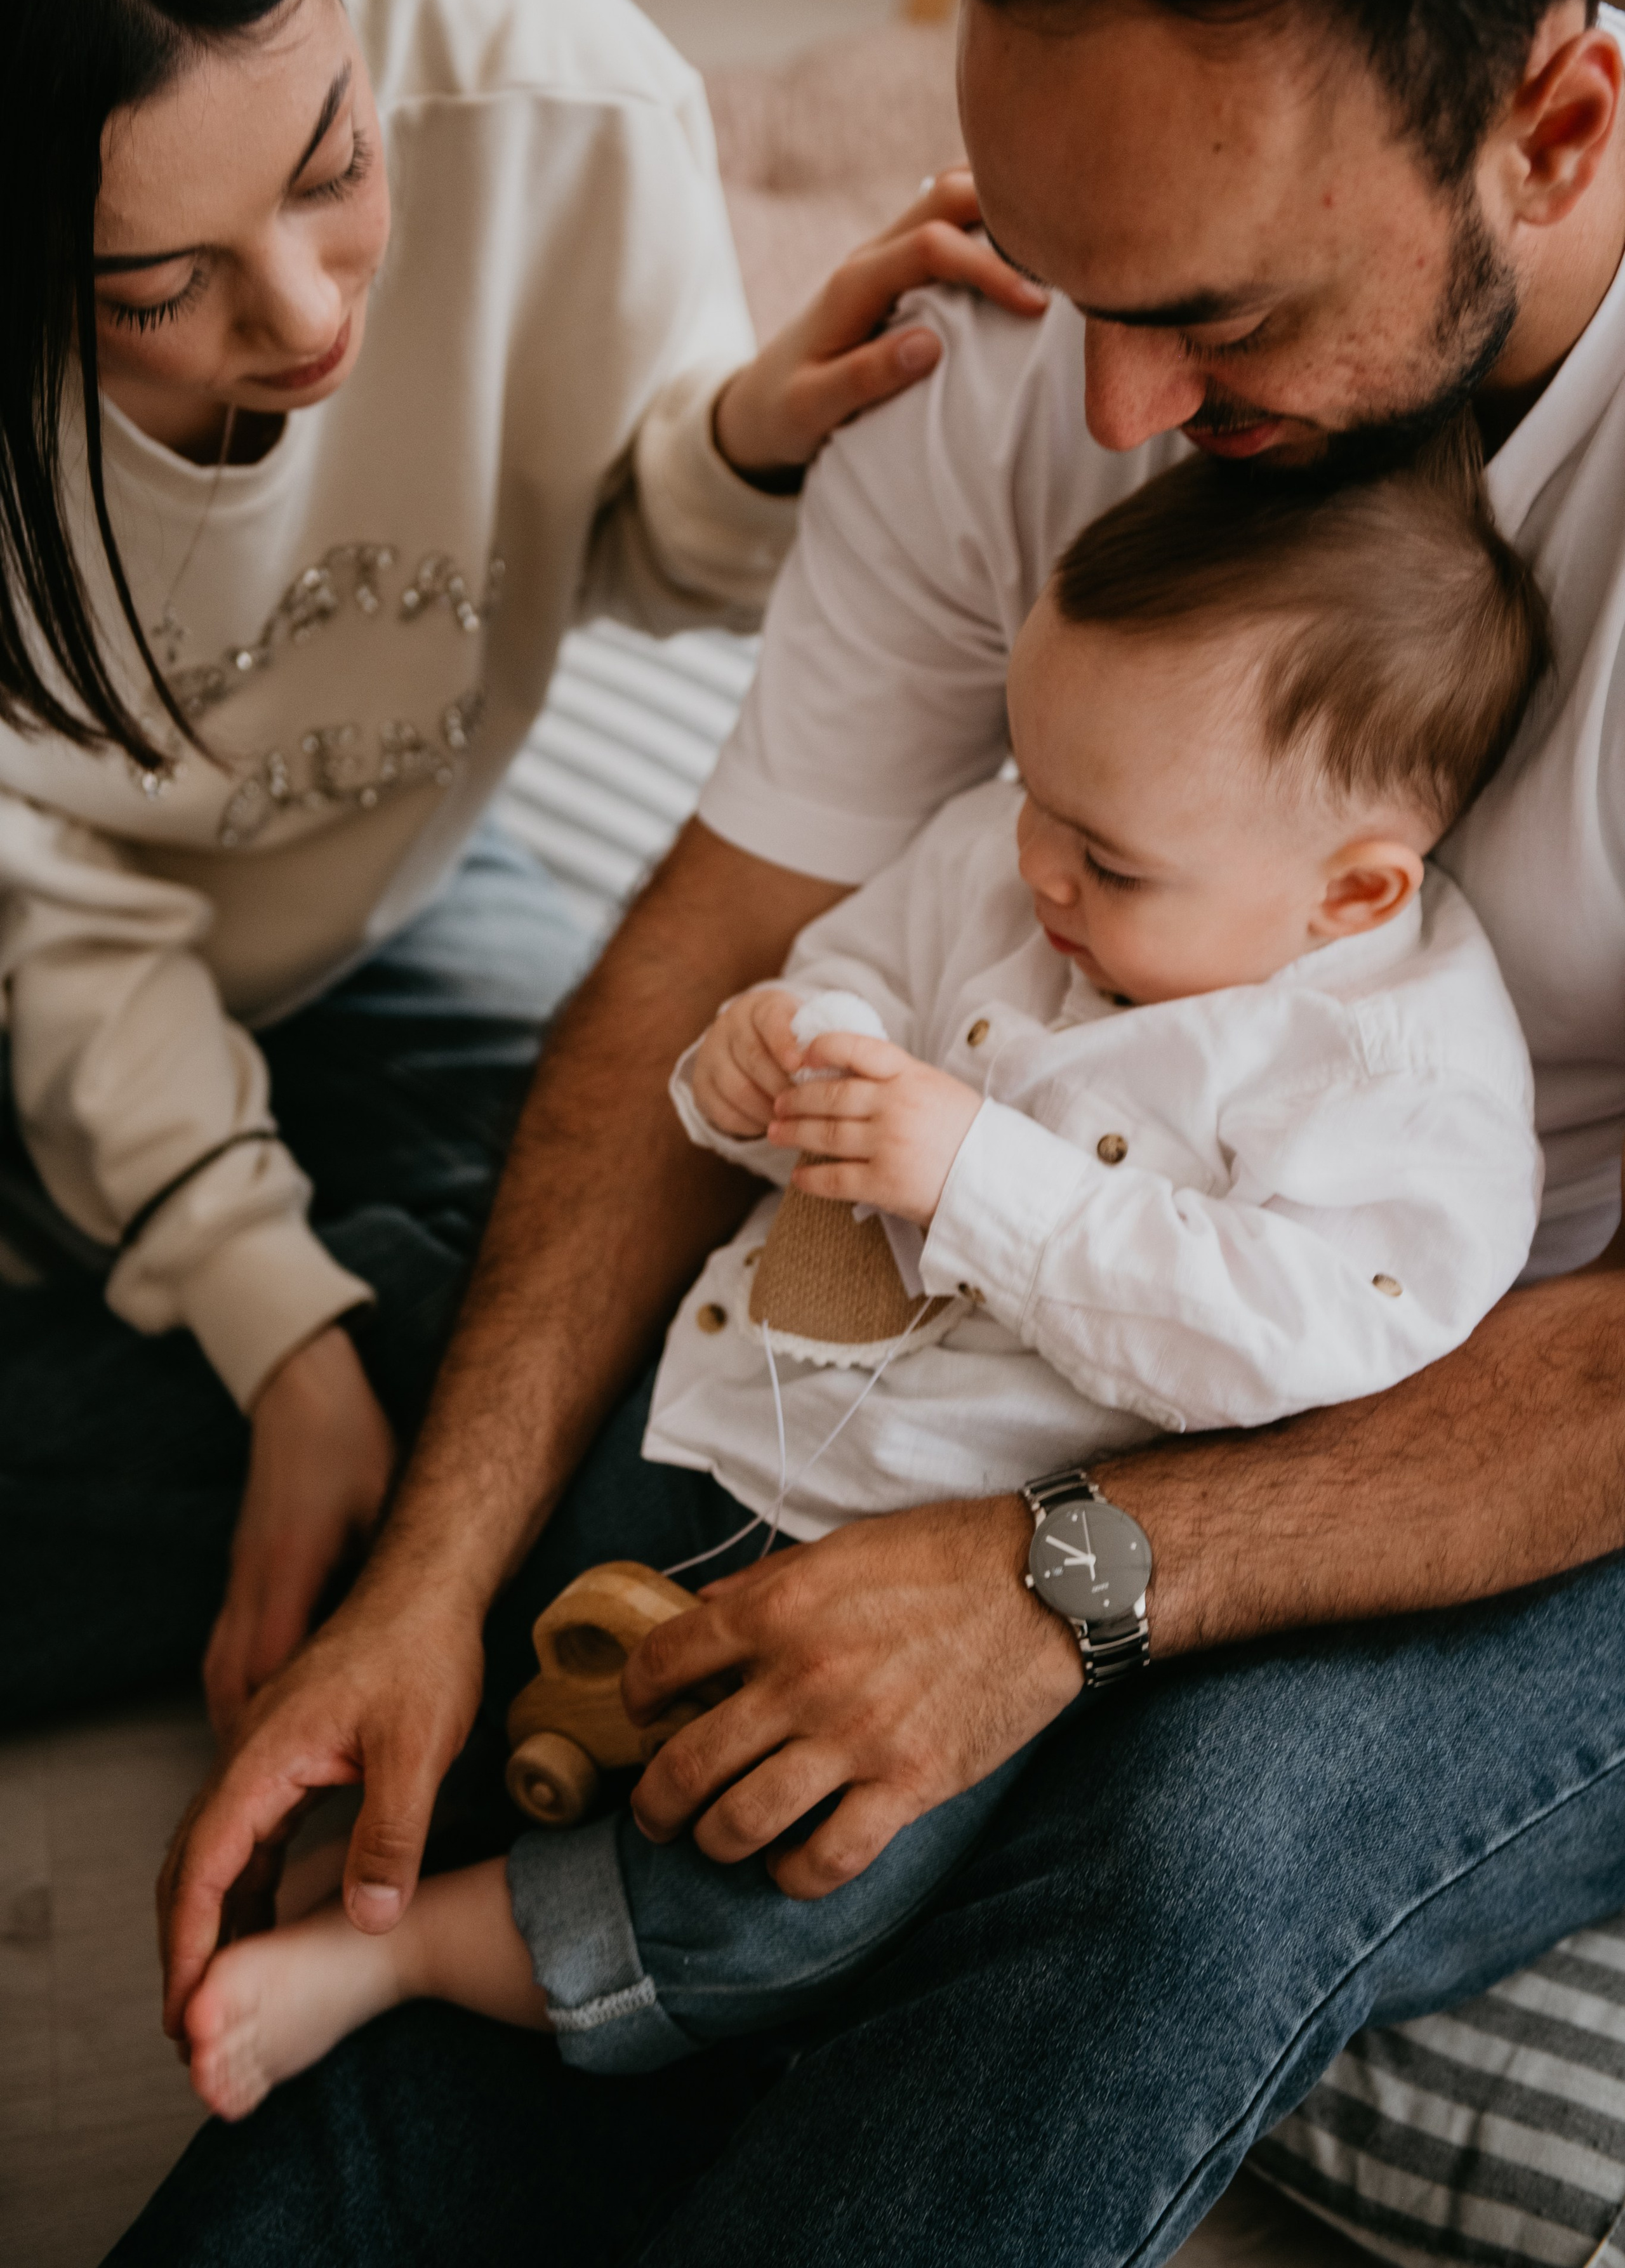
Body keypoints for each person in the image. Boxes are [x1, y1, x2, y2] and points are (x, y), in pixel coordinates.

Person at [128, 0, 1625, 2264]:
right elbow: (731, 924)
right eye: (1063, 267)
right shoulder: (1041, 334)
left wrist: (1066, 1582)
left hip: (1549, 1362)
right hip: (1039, 1237)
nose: (1114, 399)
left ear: (1549, 133)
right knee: (619, 1635)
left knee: (1187, 1841)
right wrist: (436, 1566)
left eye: (1212, 311)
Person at [172, 429, 1553, 2121]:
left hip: (933, 1559)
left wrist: (975, 1172)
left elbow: (1299, 1340)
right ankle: (413, 1828)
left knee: (792, 1890)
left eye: (1109, 860)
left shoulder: (1403, 1093)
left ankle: (409, 1956)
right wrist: (787, 1043)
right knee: (538, 1599)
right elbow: (856, 966)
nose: (1039, 864)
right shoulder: (1015, 852)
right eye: (1032, 790)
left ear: (1353, 892)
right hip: (724, 1391)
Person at [0, 0, 1036, 1734]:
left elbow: (635, 555)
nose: (311, 315)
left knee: (652, 1261)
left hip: (384, 904)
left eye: (336, 169)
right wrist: (278, 1324)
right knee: (462, 1375)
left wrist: (738, 436)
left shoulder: (545, 85)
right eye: (160, 286)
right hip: (35, 974)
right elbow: (47, 919)